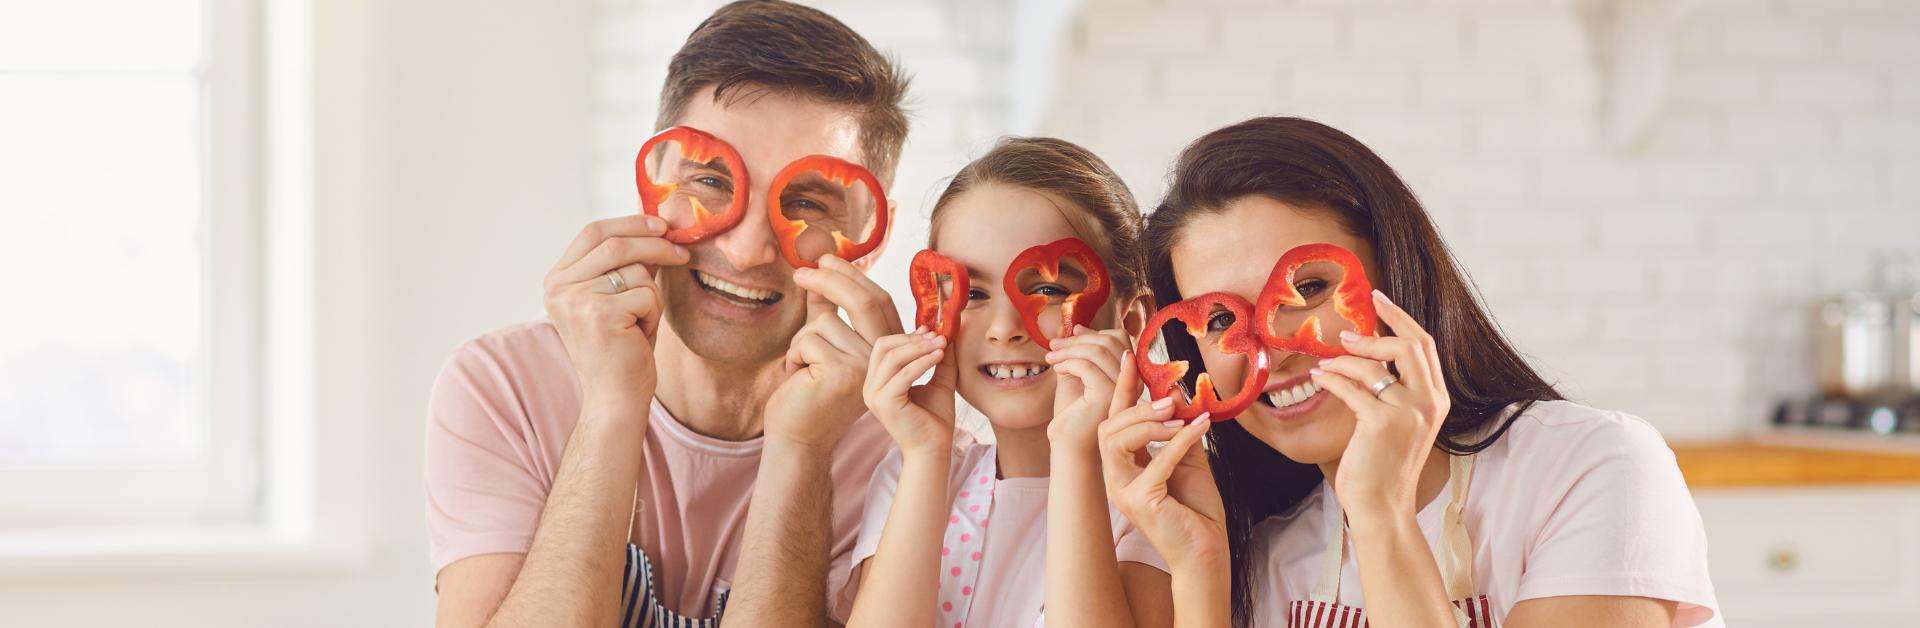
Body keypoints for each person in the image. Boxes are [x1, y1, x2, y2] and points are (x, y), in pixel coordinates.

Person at [1100, 117, 1721, 628]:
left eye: (1310, 287)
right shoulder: (1266, 549)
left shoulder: (1592, 465)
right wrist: (1202, 571)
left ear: (1398, 275)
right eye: (1218, 319)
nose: (1273, 345)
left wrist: (1380, 512)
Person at [424, 2, 909, 626]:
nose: (747, 249)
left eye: (809, 201)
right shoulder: (502, 387)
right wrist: (610, 408)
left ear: (871, 234)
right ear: (653, 180)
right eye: (710, 180)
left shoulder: (909, 455)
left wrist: (803, 450)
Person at [844, 138, 1174, 628]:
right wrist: (925, 453)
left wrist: (1074, 448)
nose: (1004, 327)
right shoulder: (912, 472)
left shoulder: (1159, 498)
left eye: (1047, 290)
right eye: (973, 292)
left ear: (1132, 320)